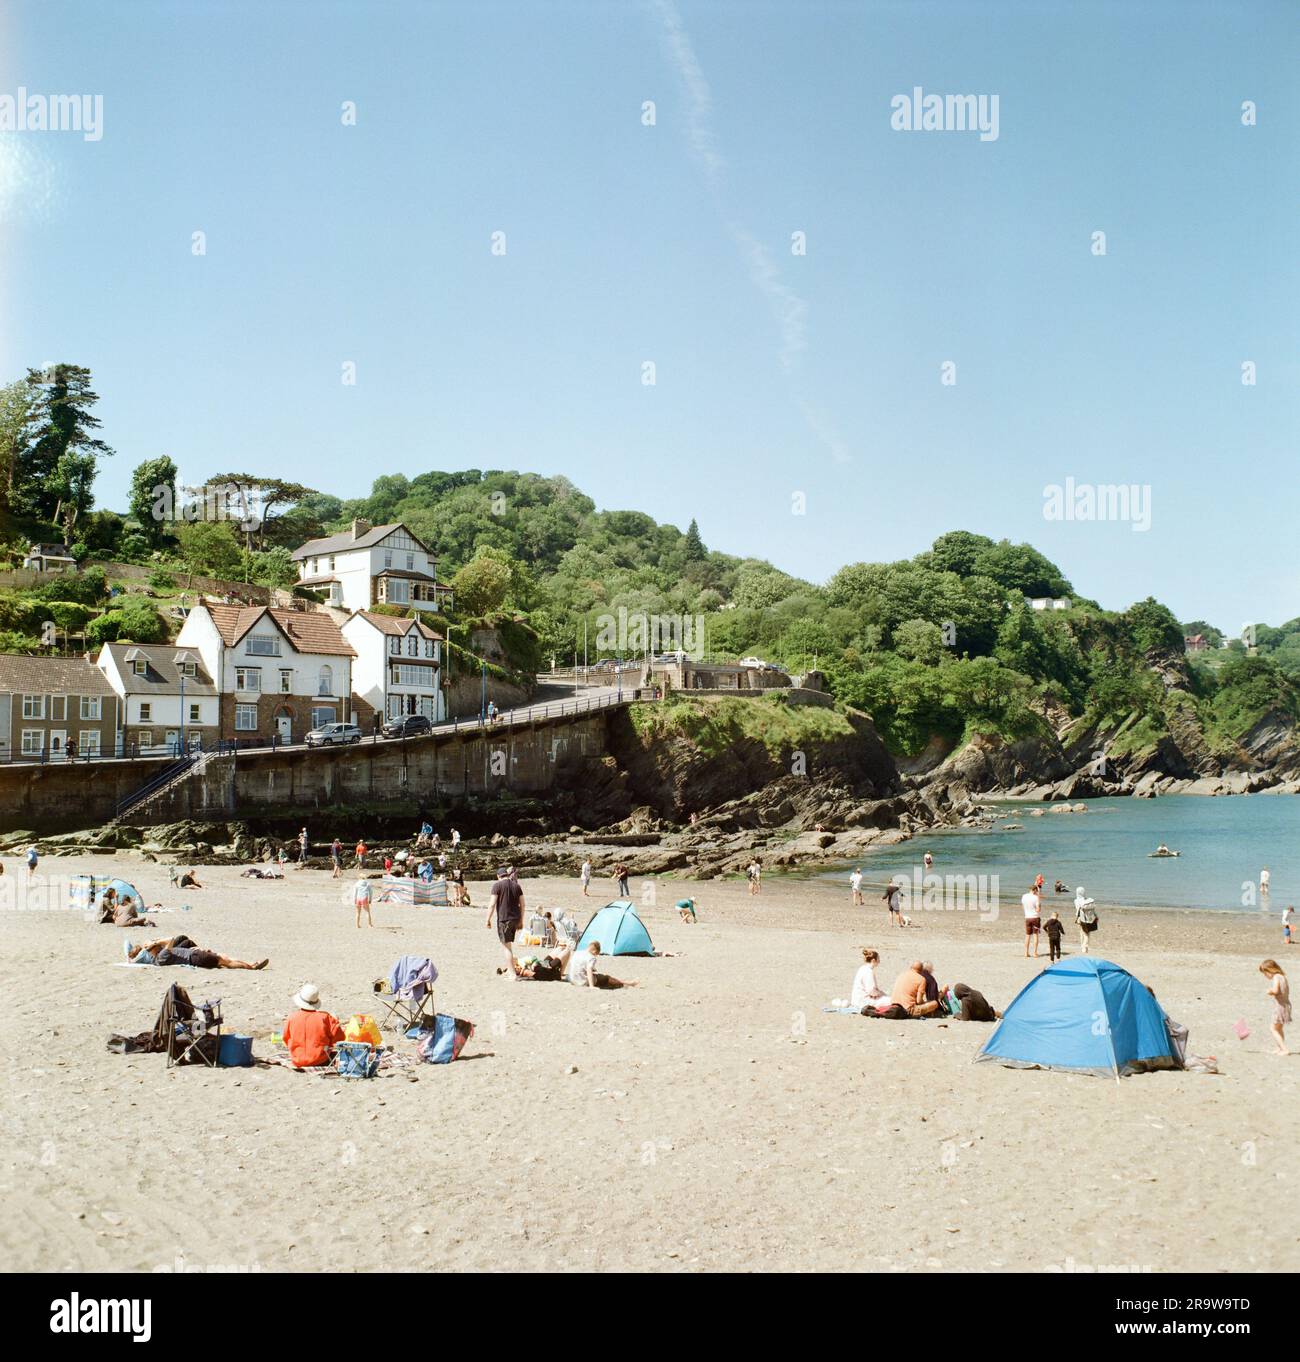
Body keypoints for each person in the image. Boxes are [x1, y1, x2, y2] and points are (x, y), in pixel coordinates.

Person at [282, 984, 347, 1068]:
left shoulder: (292, 1017)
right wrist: (336, 1022)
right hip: (320, 1060)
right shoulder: (325, 1017)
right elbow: (340, 1038)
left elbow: (286, 1038)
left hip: (297, 1059)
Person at [124, 934, 267, 969]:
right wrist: (154, 942)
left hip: (195, 957)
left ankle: (250, 964)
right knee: (226, 960)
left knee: (224, 959)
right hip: (196, 957)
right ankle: (251, 967)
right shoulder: (161, 956)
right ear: (153, 949)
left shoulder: (158, 958)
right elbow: (170, 940)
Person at [487, 867, 524, 978]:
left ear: (498, 876)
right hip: (516, 918)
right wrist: (521, 920)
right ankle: (509, 969)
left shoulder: (497, 886)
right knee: (509, 945)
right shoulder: (516, 886)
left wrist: (488, 919)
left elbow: (492, 904)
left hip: (504, 919)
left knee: (506, 947)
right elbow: (523, 904)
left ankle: (512, 974)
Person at [570, 940, 638, 989]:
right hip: (582, 981)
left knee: (598, 975)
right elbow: (589, 969)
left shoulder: (577, 952)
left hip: (572, 979)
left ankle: (628, 982)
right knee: (607, 978)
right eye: (597, 954)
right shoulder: (591, 957)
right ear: (595, 951)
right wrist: (591, 986)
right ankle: (628, 983)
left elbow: (574, 965)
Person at [1260, 960, 1291, 1056]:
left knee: (1273, 1028)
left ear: (1270, 970)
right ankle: (1279, 1048)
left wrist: (1270, 991)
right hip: (1286, 1005)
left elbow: (1276, 990)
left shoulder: (1276, 977)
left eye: (1265, 973)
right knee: (1279, 1028)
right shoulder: (1283, 977)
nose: (1265, 976)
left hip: (1280, 1006)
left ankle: (1285, 1049)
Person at [1074, 886, 1098, 953]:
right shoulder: (1088, 901)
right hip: (1089, 918)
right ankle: (1085, 946)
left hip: (1080, 919)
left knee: (1081, 932)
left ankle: (1082, 946)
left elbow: (1077, 910)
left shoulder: (1076, 901)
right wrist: (1096, 916)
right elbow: (1093, 910)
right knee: (1087, 933)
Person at [1021, 883, 1042, 957]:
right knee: (1035, 935)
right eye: (1036, 891)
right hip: (1035, 917)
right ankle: (1035, 953)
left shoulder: (1024, 896)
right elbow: (1038, 910)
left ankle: (1026, 953)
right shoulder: (1036, 898)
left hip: (1027, 917)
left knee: (1027, 935)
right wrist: (1039, 899)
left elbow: (1023, 907)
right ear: (1035, 890)